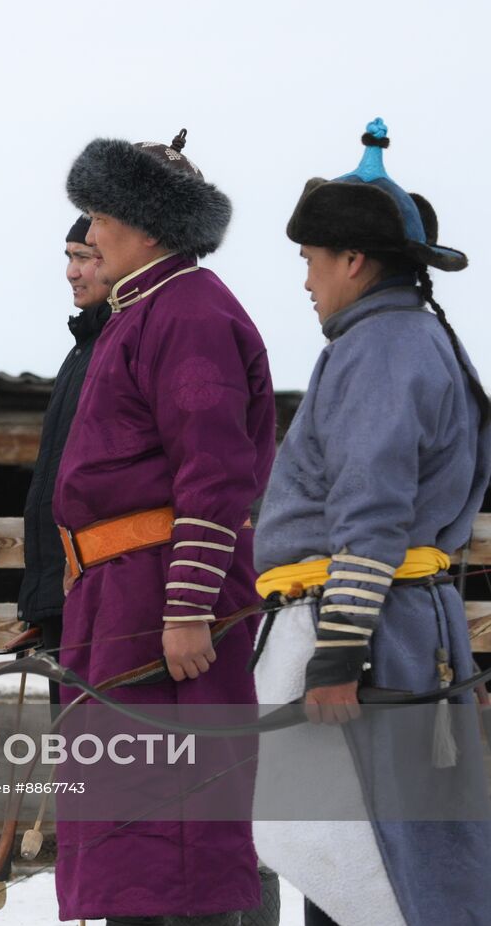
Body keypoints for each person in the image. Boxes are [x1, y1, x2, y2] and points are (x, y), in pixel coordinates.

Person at [251, 119, 491, 926]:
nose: (308, 283)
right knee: (361, 853)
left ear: (353, 260)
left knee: (380, 863)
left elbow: (373, 511)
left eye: (313, 263)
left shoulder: (383, 346)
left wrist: (339, 652)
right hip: (391, 625)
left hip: (365, 630)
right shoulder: (408, 336)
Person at [52, 131, 276, 924]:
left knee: (172, 834)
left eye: (101, 213)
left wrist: (186, 608)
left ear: (146, 226)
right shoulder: (138, 311)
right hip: (115, 599)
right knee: (125, 831)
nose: (90, 229)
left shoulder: (190, 312)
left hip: (161, 601)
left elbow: (215, 472)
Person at [17, 215, 112, 704]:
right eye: (69, 257)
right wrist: (42, 605)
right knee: (75, 760)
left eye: (86, 257)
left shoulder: (121, 347)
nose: (72, 273)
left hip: (106, 601)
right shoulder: (82, 351)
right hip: (66, 600)